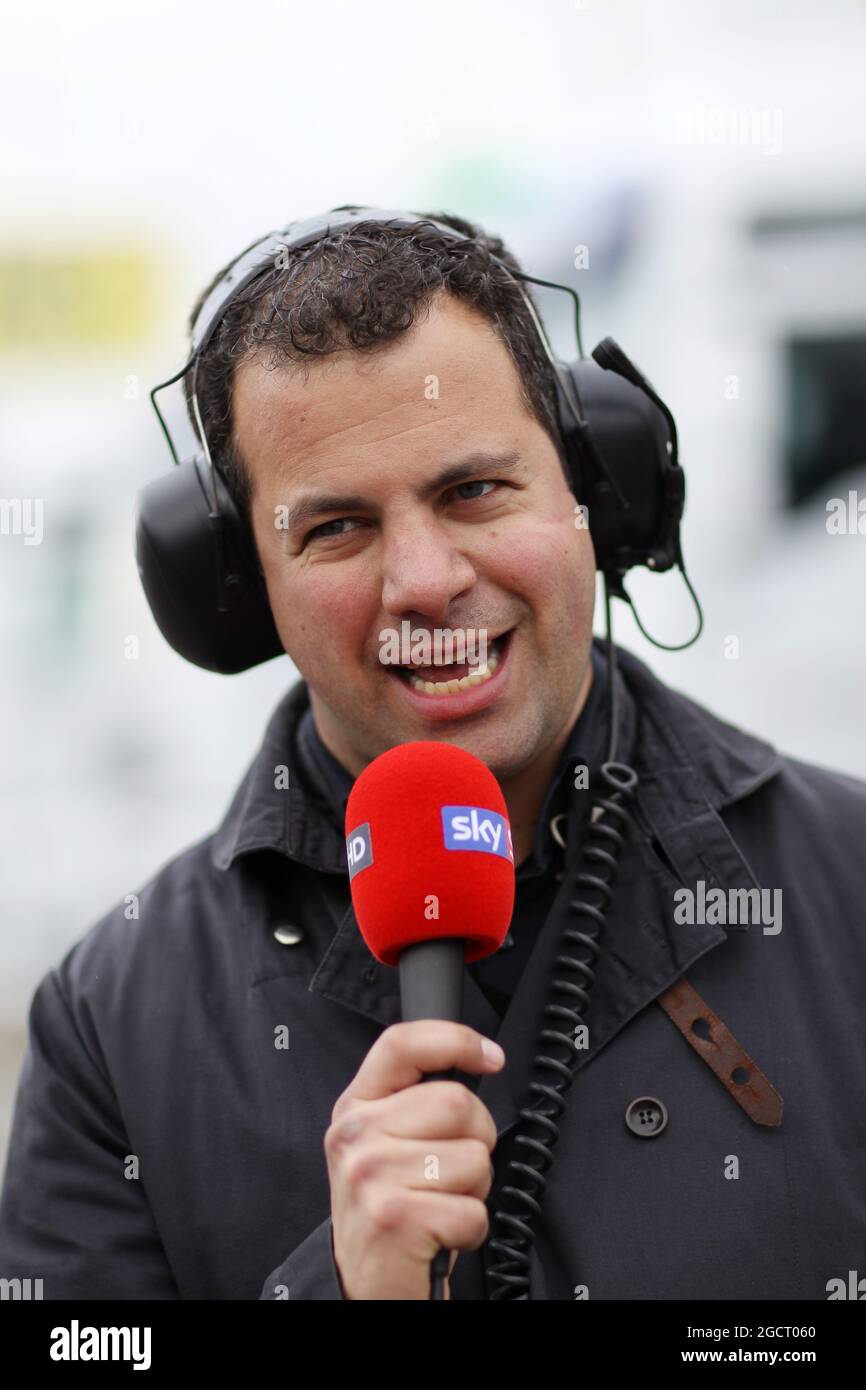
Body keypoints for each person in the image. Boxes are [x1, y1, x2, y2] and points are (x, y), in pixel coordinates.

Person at [1, 210, 864, 1301]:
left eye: (471, 491)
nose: (420, 577)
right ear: (235, 593)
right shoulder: (112, 1024)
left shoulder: (847, 888)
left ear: (594, 492)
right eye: (337, 528)